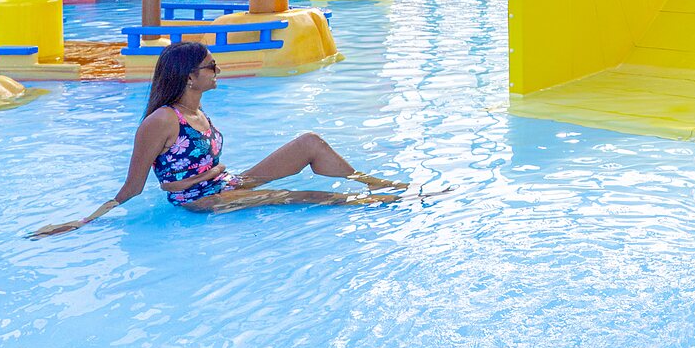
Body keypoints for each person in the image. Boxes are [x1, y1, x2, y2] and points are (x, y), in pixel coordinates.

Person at [31, 42, 424, 238]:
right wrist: (80, 222)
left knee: (309, 142)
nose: (217, 70)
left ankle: (373, 184)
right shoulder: (161, 121)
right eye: (210, 67)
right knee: (299, 196)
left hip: (225, 182)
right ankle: (380, 204)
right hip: (204, 200)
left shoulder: (197, 112)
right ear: (189, 77)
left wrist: (216, 172)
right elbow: (133, 188)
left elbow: (201, 165)